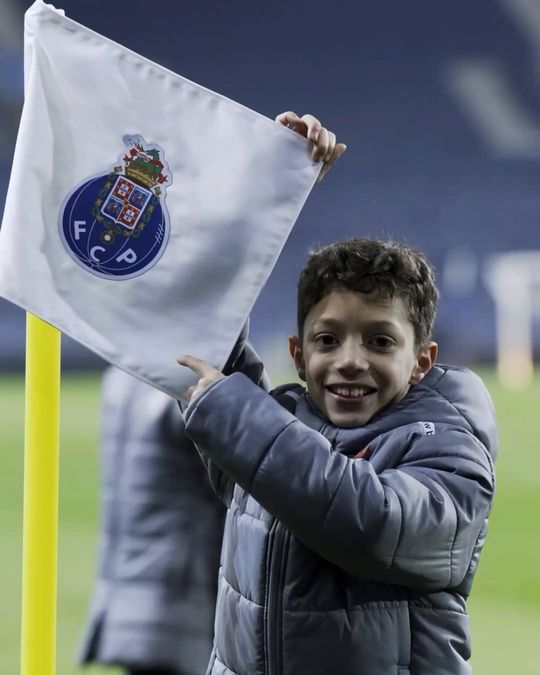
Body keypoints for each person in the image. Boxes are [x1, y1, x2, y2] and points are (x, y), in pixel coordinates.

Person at [177, 117, 497, 674]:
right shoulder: (276, 427)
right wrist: (267, 195)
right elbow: (206, 325)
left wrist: (236, 412)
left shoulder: (450, 449)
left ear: (422, 360)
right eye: (328, 339)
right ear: (299, 358)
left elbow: (368, 519)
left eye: (379, 340)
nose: (350, 359)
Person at [78, 367, 228, 675]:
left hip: (126, 598)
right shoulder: (189, 385)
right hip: (177, 601)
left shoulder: (119, 378)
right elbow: (230, 494)